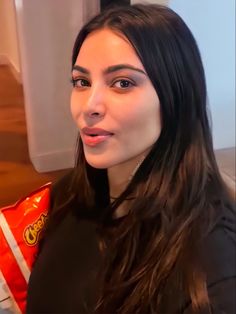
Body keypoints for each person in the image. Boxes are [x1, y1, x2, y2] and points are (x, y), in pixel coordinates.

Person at [26, 3, 236, 314]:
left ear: (175, 97)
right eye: (81, 82)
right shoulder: (68, 194)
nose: (89, 106)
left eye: (122, 83)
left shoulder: (211, 275)